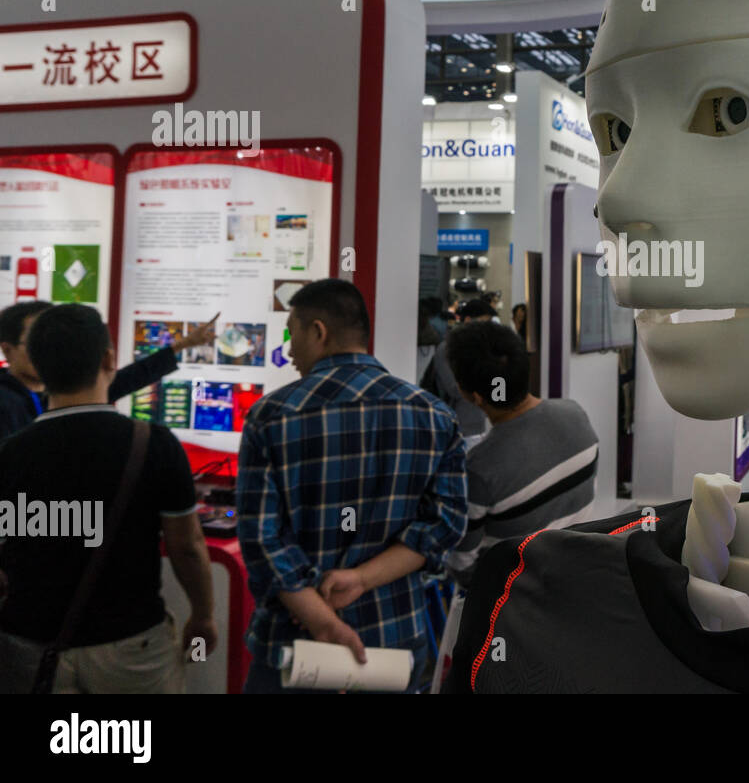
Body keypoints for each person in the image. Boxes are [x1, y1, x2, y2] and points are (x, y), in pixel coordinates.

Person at [236, 279, 467, 694]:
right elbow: (445, 524)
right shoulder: (433, 415)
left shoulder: (270, 417)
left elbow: (261, 541)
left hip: (296, 648)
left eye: (293, 333)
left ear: (319, 331)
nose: (289, 351)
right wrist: (361, 578)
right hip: (393, 641)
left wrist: (323, 621)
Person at [0, 304, 215, 693]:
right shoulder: (153, 444)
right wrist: (202, 615)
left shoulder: (9, 454)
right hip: (133, 646)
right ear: (109, 358)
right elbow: (187, 547)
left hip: (28, 647)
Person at [442, 321, 598, 585]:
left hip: (516, 600)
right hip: (578, 575)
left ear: (474, 396)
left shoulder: (479, 468)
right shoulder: (575, 413)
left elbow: (462, 563)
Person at [0, 301, 219, 442]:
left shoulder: (57, 394)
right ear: (7, 350)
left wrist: (180, 346)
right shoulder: (6, 403)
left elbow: (124, 380)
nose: (50, 351)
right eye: (37, 343)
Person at [424, 298, 496, 443]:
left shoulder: (483, 349)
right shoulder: (448, 349)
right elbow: (455, 389)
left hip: (480, 427)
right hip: (456, 430)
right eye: (484, 322)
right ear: (468, 320)